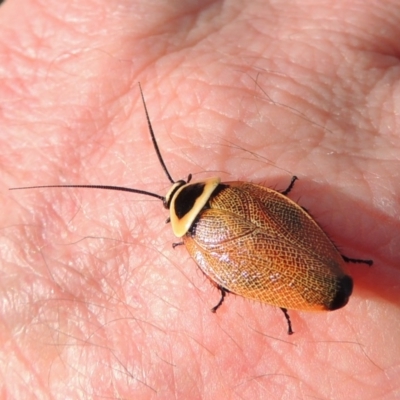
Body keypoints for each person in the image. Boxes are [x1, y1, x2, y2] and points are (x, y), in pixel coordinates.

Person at [1, 0, 398, 398]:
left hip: (247, 260)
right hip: (302, 254)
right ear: (196, 183)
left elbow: (232, 274)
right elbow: (285, 209)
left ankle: (333, 270)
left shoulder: (192, 243)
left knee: (237, 263)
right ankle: (342, 261)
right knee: (284, 220)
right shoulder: (231, 191)